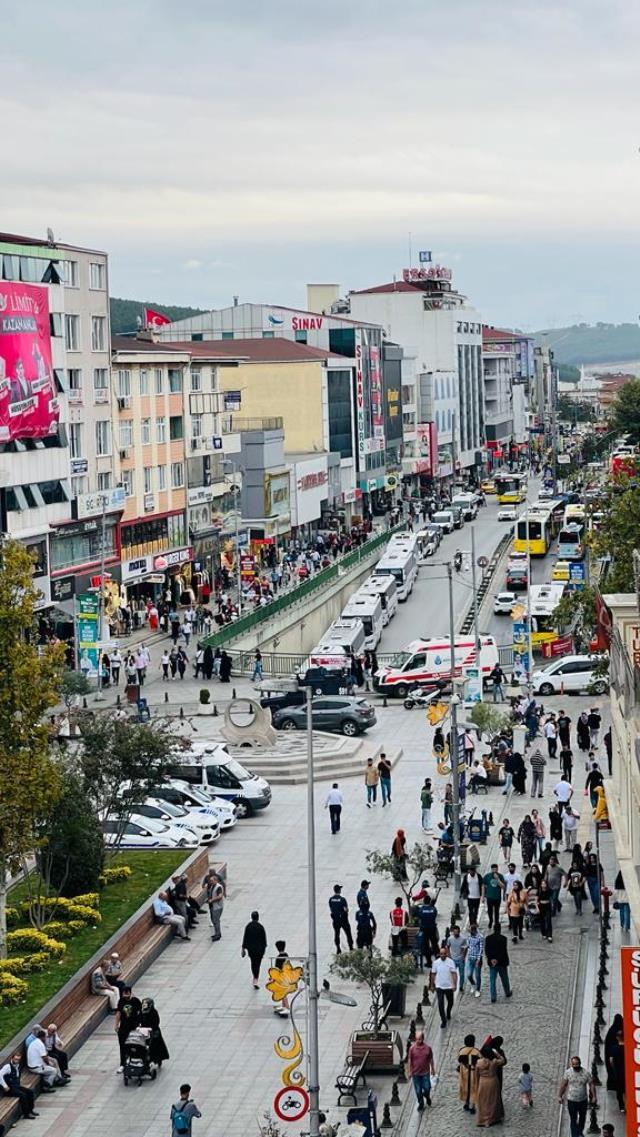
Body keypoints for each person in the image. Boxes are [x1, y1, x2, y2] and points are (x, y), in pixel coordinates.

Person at [558, 1056, 595, 1137]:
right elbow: (563, 1085)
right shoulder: (568, 1072)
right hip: (571, 1100)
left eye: (577, 1064)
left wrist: (594, 1096)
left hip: (583, 1100)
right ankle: (575, 1135)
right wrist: (560, 1096)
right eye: (574, 1064)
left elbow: (591, 1084)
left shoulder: (586, 1073)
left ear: (580, 1063)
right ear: (571, 1064)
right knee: (573, 1119)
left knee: (582, 1118)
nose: (575, 1066)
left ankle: (579, 1132)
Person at [475, 1044, 506, 1127]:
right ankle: (491, 1119)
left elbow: (476, 1074)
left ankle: (483, 1119)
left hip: (483, 1082)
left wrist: (478, 1084)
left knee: (483, 1101)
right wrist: (497, 1053)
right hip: (492, 1081)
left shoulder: (479, 1062)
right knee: (493, 1100)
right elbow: (503, 1060)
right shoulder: (494, 1061)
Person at [0, 1052, 39, 1118]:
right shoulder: (7, 1067)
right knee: (22, 1095)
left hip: (16, 1086)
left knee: (30, 1092)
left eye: (18, 1059)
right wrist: (5, 1086)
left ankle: (30, 1110)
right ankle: (26, 1114)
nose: (16, 1061)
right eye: (15, 1059)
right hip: (9, 1089)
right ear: (12, 1058)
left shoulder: (17, 1066)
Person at [430, 945, 458, 1028]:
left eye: (444, 954)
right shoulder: (436, 963)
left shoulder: (450, 962)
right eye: (441, 954)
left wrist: (455, 984)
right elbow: (433, 974)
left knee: (450, 1002)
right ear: (439, 954)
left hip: (449, 987)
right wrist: (432, 985)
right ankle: (443, 1020)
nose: (442, 955)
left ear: (446, 954)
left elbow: (454, 974)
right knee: (440, 1004)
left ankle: (448, 1012)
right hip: (439, 987)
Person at [115, 986, 142, 1069]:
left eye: (127, 993)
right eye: (124, 993)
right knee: (122, 1045)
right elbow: (118, 1013)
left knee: (134, 1044)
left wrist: (140, 1024)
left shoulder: (136, 1001)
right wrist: (116, 1025)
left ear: (130, 993)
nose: (125, 995)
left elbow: (140, 1013)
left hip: (133, 1027)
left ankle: (135, 1060)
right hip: (123, 1027)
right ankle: (122, 1063)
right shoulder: (121, 1001)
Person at [407, 1030, 435, 1111]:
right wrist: (409, 1071)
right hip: (416, 1073)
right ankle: (421, 1103)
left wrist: (432, 1069)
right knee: (418, 1090)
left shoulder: (428, 1048)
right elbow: (410, 1060)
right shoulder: (412, 1049)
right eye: (417, 1039)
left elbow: (430, 1059)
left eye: (419, 1039)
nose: (418, 1041)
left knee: (427, 1088)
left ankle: (427, 1096)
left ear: (423, 1039)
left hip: (425, 1072)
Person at [484, 923, 512, 1003]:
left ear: (493, 929)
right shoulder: (503, 939)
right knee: (504, 979)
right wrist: (497, 960)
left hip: (492, 963)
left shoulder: (488, 938)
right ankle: (507, 992)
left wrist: (492, 959)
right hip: (502, 963)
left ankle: (493, 997)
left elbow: (487, 950)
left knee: (492, 980)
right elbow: (503, 951)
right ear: (500, 929)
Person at [140, 998, 170, 1067]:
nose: (144, 1005)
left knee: (155, 1045)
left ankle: (157, 1059)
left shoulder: (153, 1012)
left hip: (154, 1032)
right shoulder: (142, 1012)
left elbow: (156, 1022)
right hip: (144, 1032)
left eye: (146, 1004)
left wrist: (151, 1028)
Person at [242, 911, 268, 988]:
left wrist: (243, 948)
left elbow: (245, 937)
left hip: (251, 949)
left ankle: (255, 977)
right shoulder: (260, 927)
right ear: (258, 917)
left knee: (253, 963)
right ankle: (256, 978)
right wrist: (264, 949)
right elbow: (264, 939)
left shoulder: (248, 926)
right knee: (258, 964)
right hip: (259, 950)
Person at [458, 1034, 481, 1112]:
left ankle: (466, 1103)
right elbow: (480, 1060)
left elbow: (459, 1060)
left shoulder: (461, 1051)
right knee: (474, 1088)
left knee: (465, 1087)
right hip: (473, 1072)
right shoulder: (476, 1051)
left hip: (464, 1072)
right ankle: (473, 1106)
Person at [329, 884, 353, 952]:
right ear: (339, 890)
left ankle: (338, 948)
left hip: (335, 920)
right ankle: (351, 947)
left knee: (337, 934)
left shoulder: (331, 899)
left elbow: (331, 908)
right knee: (348, 933)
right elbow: (345, 909)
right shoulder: (342, 899)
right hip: (343, 919)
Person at [483, 865, 505, 931]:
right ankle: (491, 920)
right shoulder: (487, 876)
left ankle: (496, 922)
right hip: (489, 896)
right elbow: (483, 886)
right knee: (490, 910)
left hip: (497, 897)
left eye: (496, 869)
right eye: (493, 869)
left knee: (496, 911)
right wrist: (483, 896)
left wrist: (497, 879)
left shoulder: (500, 876)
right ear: (491, 869)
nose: (495, 870)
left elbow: (503, 886)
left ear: (497, 869)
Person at [447, 925, 468, 992]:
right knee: (452, 973)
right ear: (453, 932)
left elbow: (465, 948)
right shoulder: (450, 939)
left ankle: (461, 986)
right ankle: (452, 985)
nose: (456, 934)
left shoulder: (463, 939)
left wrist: (463, 956)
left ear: (459, 932)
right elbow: (447, 947)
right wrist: (449, 956)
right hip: (453, 959)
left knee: (462, 974)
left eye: (457, 932)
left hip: (460, 959)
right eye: (455, 932)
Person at [466, 924, 484, 998]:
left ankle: (478, 990)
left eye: (470, 930)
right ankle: (473, 984)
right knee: (469, 975)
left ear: (474, 930)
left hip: (477, 959)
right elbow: (469, 946)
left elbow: (481, 949)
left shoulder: (480, 937)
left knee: (477, 976)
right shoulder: (469, 936)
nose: (469, 931)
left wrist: (478, 959)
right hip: (470, 958)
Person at [207, 873, 225, 941]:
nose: (210, 882)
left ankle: (218, 935)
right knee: (214, 920)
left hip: (217, 907)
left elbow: (220, 896)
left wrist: (212, 900)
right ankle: (217, 933)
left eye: (212, 880)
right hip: (212, 906)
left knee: (216, 921)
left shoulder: (218, 887)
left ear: (216, 880)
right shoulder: (212, 886)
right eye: (210, 880)